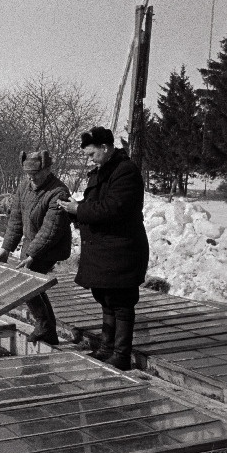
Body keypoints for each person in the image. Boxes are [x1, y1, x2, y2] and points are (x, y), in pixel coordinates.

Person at [58, 126, 149, 370]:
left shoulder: (125, 172)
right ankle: (106, 348)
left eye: (91, 154)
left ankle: (121, 354)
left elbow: (113, 208)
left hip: (122, 249)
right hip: (106, 250)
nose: (89, 159)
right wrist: (75, 207)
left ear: (106, 148)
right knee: (106, 298)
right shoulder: (103, 171)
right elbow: (95, 205)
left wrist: (79, 210)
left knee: (122, 301)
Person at [0, 151, 72, 345]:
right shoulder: (24, 187)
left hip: (50, 246)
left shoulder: (58, 192)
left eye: (36, 173)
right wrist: (6, 248)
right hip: (32, 243)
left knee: (28, 283)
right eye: (28, 174)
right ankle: (48, 330)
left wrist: (32, 256)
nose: (32, 177)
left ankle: (44, 325)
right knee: (31, 284)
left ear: (47, 170)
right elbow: (15, 219)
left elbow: (50, 230)